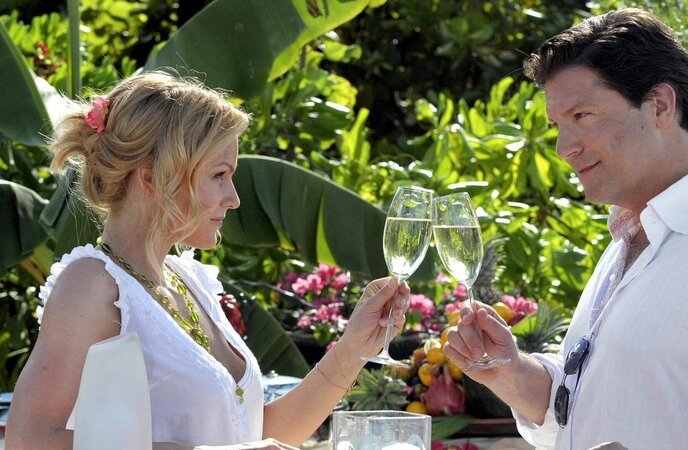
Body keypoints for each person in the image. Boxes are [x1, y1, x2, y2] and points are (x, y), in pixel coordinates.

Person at [443, 8, 688, 450]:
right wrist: (513, 373)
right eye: (558, 126)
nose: (563, 148)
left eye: (582, 116)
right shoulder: (628, 239)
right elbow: (582, 414)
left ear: (660, 106)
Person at [5, 71, 410, 449]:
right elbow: (29, 439)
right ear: (152, 178)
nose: (233, 198)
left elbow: (253, 433)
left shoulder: (190, 278)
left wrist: (354, 346)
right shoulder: (92, 286)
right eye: (219, 175)